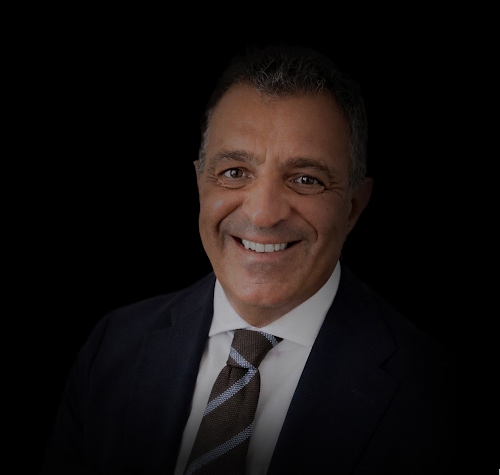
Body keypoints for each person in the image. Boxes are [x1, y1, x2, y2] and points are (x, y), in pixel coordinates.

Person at [41, 43, 456, 474]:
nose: (262, 214)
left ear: (353, 207)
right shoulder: (113, 347)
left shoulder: (437, 396)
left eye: (305, 179)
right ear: (201, 185)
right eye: (234, 172)